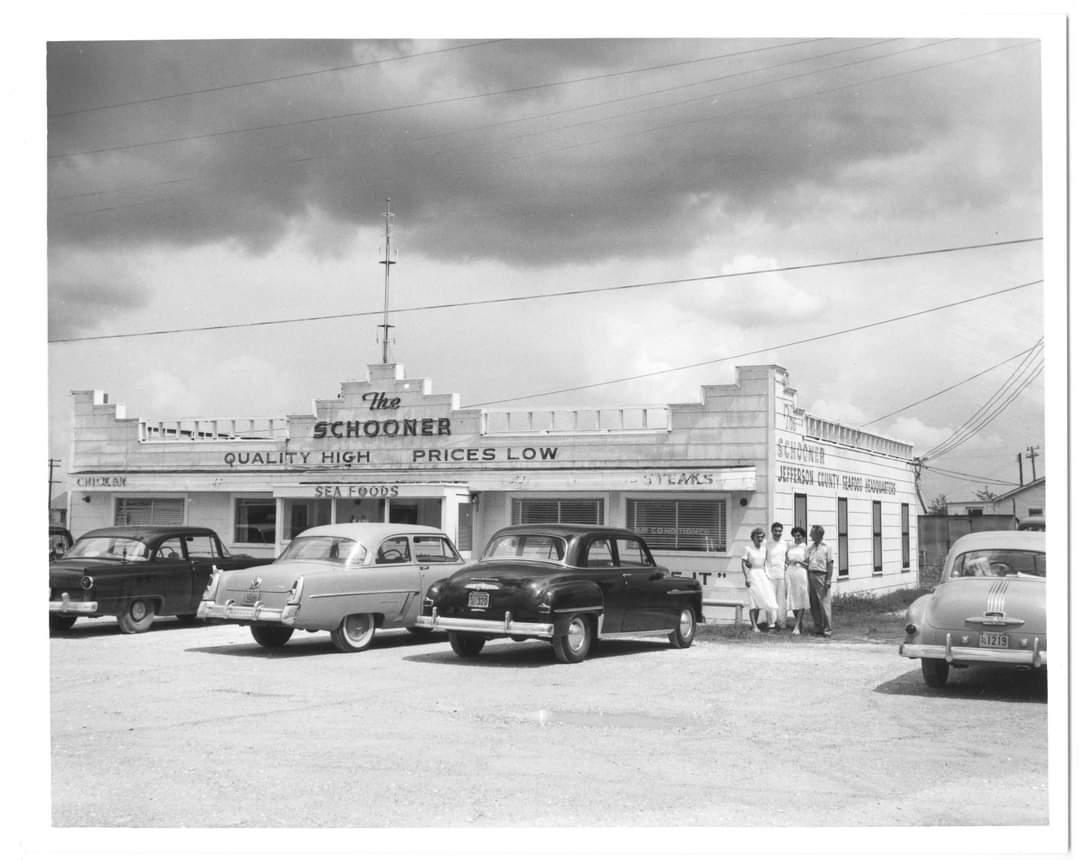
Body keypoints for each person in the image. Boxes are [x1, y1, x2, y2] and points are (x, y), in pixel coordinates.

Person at [741, 527, 778, 631]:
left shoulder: (764, 548)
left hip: (762, 574)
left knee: (766, 597)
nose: (760, 539)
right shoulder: (748, 548)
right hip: (753, 574)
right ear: (753, 537)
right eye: (758, 537)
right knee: (753, 601)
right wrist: (747, 577)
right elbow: (743, 564)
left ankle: (770, 624)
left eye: (762, 537)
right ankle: (754, 626)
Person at [805, 524, 834, 637]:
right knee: (814, 603)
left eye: (812, 533)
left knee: (824, 603)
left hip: (822, 575)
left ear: (818, 534)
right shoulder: (810, 547)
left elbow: (830, 564)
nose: (810, 535)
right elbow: (806, 561)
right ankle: (818, 628)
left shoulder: (827, 547)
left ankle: (827, 630)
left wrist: (828, 580)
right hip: (811, 574)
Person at [784, 526, 811, 635]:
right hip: (790, 573)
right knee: (792, 598)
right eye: (795, 535)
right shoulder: (790, 546)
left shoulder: (805, 548)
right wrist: (788, 562)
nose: (797, 537)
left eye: (799, 535)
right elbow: (786, 559)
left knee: (801, 597)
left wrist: (798, 562)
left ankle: (797, 626)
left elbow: (808, 564)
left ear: (803, 536)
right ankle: (798, 623)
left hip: (801, 573)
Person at [764, 521, 788, 630]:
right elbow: (763, 559)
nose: (778, 533)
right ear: (772, 531)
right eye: (776, 531)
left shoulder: (784, 544)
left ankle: (781, 623)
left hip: (782, 575)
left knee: (781, 601)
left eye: (779, 531)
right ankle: (771, 624)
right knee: (770, 600)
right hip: (770, 575)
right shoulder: (767, 544)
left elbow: (786, 559)